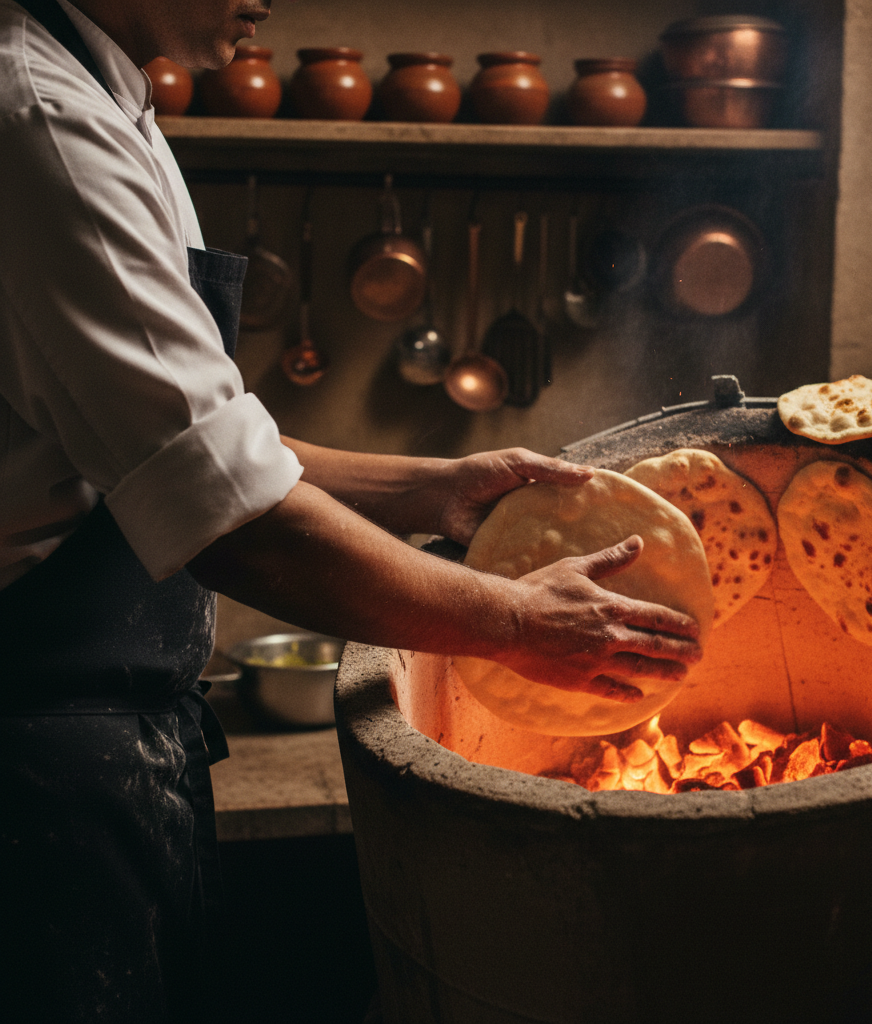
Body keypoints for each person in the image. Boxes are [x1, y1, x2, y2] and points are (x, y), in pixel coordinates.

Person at [0, 1, 703, 1020]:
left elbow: (213, 444)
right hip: (33, 755)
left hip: (112, 736)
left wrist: (428, 485)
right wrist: (512, 623)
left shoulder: (116, 105)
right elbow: (235, 520)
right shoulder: (40, 124)